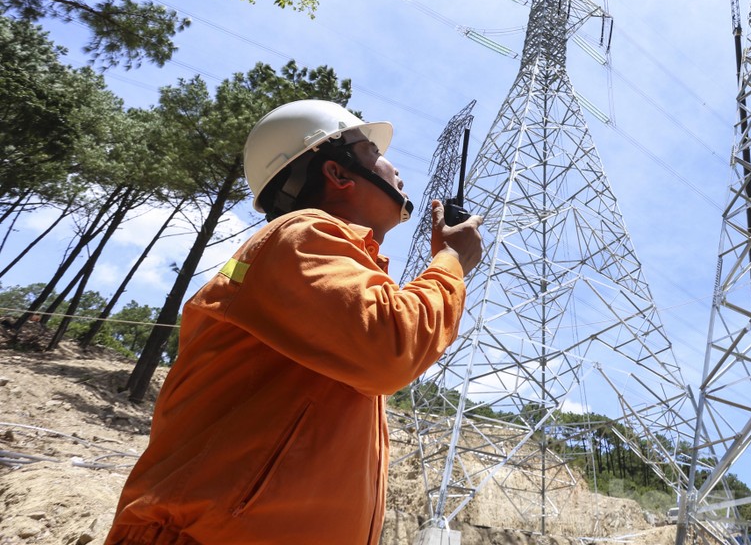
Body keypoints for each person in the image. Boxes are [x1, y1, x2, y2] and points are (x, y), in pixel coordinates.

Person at [105, 99, 483, 545]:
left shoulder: (320, 260)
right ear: (338, 174)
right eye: (372, 151)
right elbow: (392, 347)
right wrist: (451, 262)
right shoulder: (302, 235)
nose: (395, 167)